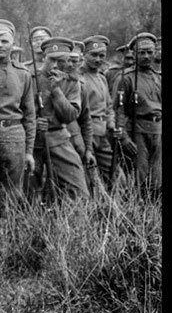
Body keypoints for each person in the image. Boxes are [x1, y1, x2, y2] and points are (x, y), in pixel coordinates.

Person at [0, 20, 36, 222]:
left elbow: (29, 115)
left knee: (12, 193)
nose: (0, 45)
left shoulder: (23, 73)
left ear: (12, 44)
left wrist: (28, 152)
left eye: (4, 41)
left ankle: (9, 235)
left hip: (15, 136)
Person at [28, 36, 87, 200]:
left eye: (61, 61)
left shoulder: (72, 82)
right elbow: (19, 109)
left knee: (78, 189)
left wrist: (56, 90)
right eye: (51, 60)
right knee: (30, 190)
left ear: (68, 60)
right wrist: (34, 122)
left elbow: (71, 116)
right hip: (33, 141)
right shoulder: (29, 78)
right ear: (43, 58)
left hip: (59, 137)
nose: (55, 66)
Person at [114, 32, 161, 196]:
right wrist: (124, 137)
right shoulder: (126, 78)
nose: (146, 56)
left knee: (158, 178)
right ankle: (137, 214)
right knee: (139, 178)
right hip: (137, 130)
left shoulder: (158, 77)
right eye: (142, 52)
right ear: (134, 54)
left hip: (158, 130)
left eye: (150, 52)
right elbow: (118, 110)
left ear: (155, 52)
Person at [79, 35, 116, 188]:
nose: (98, 59)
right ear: (84, 55)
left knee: (113, 173)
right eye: (93, 55)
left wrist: (112, 124)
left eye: (102, 56)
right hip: (86, 132)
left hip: (103, 133)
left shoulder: (102, 77)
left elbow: (108, 106)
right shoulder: (79, 77)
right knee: (89, 176)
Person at [64, 41, 95, 192]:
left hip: (75, 141)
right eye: (67, 60)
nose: (70, 65)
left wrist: (88, 149)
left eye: (74, 61)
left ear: (80, 62)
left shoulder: (81, 86)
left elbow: (85, 120)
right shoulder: (50, 82)